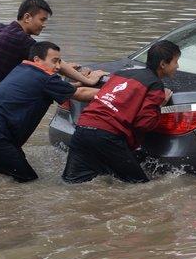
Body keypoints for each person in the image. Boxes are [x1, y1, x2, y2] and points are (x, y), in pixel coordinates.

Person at [0, 0, 107, 164]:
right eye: (42, 19)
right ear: (27, 17)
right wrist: (88, 80)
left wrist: (67, 72)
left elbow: (37, 69)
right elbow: (55, 65)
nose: (44, 24)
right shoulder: (22, 42)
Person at [0, 41, 99, 182]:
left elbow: (60, 87)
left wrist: (79, 82)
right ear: (37, 60)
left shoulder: (20, 69)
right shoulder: (46, 79)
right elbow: (81, 94)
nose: (59, 66)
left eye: (60, 61)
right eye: (54, 61)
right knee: (28, 181)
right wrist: (113, 89)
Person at [62, 40, 180, 184]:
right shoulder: (155, 85)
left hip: (82, 130)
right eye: (175, 61)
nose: (177, 66)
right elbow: (144, 124)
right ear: (163, 64)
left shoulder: (122, 73)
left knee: (72, 183)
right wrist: (160, 105)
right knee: (139, 186)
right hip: (108, 137)